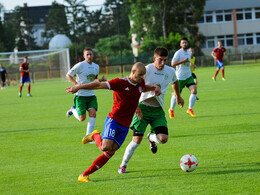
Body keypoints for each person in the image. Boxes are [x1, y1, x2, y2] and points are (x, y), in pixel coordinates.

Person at [65, 62, 161, 182]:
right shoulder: (119, 82)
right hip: (114, 120)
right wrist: (78, 87)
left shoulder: (140, 82)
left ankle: (84, 175)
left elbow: (142, 88)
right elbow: (98, 85)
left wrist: (154, 87)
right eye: (140, 75)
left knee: (111, 151)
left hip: (125, 125)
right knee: (105, 147)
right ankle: (95, 135)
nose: (142, 78)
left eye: (143, 75)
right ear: (132, 72)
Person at [118, 47, 184, 174]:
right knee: (136, 140)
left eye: (165, 60)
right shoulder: (146, 70)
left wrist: (178, 96)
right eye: (160, 60)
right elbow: (134, 86)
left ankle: (151, 137)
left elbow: (175, 82)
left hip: (158, 110)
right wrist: (135, 106)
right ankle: (123, 165)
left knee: (163, 139)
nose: (163, 63)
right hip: (142, 108)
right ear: (154, 58)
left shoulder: (170, 71)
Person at [66, 48, 106, 141]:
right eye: (87, 54)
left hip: (91, 94)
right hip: (80, 95)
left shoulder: (96, 67)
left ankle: (88, 136)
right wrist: (76, 84)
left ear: (93, 55)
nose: (89, 56)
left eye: (90, 54)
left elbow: (94, 79)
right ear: (84, 56)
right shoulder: (80, 65)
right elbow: (68, 75)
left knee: (93, 113)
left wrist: (100, 80)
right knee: (82, 118)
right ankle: (72, 110)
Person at [169, 37, 197, 118]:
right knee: (176, 95)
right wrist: (183, 61)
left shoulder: (189, 52)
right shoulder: (178, 53)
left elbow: (188, 62)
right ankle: (171, 109)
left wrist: (191, 64)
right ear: (180, 44)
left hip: (188, 76)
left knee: (194, 91)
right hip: (180, 77)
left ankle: (190, 109)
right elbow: (172, 64)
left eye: (186, 42)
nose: (184, 44)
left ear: (187, 43)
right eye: (183, 43)